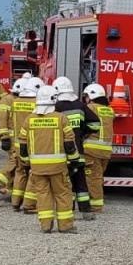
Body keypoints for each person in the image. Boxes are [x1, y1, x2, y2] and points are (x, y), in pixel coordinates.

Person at [20, 83, 77, 234]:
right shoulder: (61, 118)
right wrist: (74, 159)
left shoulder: (29, 120)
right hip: (58, 167)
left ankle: (45, 225)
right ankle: (65, 226)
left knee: (42, 195)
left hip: (37, 168)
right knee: (63, 194)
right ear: (54, 100)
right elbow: (69, 142)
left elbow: (23, 144)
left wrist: (25, 162)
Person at [53, 76, 93, 217]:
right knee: (80, 180)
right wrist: (82, 133)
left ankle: (68, 209)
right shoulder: (80, 106)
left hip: (61, 152)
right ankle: (85, 209)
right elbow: (95, 124)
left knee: (65, 182)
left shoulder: (55, 107)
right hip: (78, 151)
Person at [0, 75, 39, 205]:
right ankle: (28, 203)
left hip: (17, 143)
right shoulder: (36, 103)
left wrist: (4, 136)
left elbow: (6, 119)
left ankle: (15, 200)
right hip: (32, 145)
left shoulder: (15, 102)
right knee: (31, 172)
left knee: (19, 171)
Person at [81, 82, 114, 214]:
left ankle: (96, 206)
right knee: (98, 177)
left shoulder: (90, 107)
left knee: (93, 178)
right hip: (105, 151)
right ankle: (95, 203)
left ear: (90, 96)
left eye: (86, 97)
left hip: (91, 150)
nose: (85, 99)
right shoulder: (109, 110)